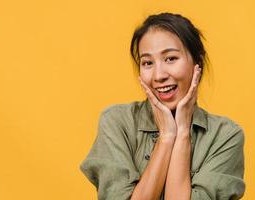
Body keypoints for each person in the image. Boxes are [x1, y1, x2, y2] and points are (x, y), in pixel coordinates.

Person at [80, 12, 245, 200]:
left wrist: (183, 132)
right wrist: (166, 136)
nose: (159, 75)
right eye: (147, 62)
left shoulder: (226, 136)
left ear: (197, 63)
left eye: (171, 58)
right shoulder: (117, 122)